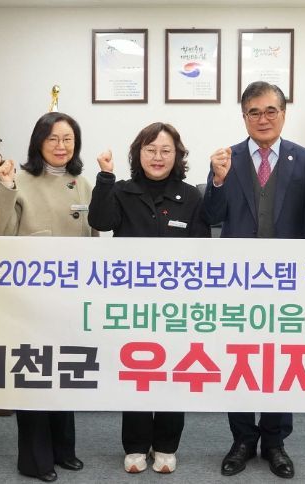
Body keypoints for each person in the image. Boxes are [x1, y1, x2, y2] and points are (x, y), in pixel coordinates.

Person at [203, 81, 305, 479]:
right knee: (238, 358)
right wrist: (217, 181)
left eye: (271, 110)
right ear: (244, 117)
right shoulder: (227, 158)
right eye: (254, 112)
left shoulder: (303, 160)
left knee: (280, 360)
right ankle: (242, 439)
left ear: (283, 113)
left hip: (287, 282)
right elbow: (211, 217)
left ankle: (274, 441)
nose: (263, 118)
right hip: (237, 281)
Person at [88, 122, 210, 474]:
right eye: (150, 150)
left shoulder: (190, 195)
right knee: (138, 371)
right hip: (133, 301)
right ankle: (136, 446)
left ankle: (167, 445)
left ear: (177, 155)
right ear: (138, 154)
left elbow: (202, 247)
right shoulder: (122, 190)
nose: (158, 157)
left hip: (177, 303)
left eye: (165, 150)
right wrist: (105, 177)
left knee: (173, 370)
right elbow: (100, 220)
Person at [0, 112, 91, 482]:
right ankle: (34, 460)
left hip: (70, 294)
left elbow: (91, 239)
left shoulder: (82, 183)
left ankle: (64, 450)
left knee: (64, 372)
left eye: (68, 139)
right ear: (38, 142)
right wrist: (4, 185)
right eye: (52, 139)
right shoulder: (19, 180)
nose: (61, 146)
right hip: (29, 297)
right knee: (33, 375)